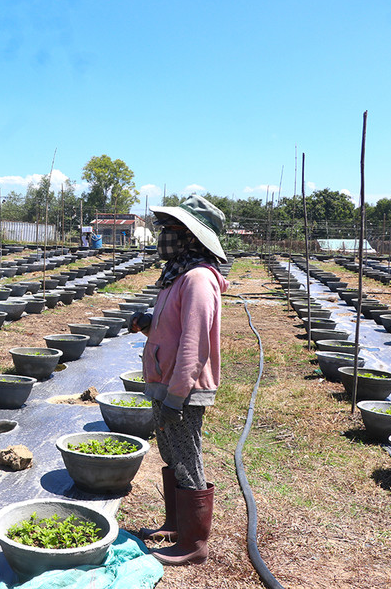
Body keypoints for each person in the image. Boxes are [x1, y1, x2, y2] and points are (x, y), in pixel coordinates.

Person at [129, 194, 229, 565]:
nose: (163, 236)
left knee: (188, 461)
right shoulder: (177, 275)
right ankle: (175, 525)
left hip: (182, 390)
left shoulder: (200, 278)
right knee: (172, 456)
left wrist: (177, 396)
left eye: (170, 230)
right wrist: (149, 323)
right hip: (166, 383)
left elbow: (195, 342)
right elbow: (174, 329)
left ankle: (193, 544)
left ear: (190, 237)